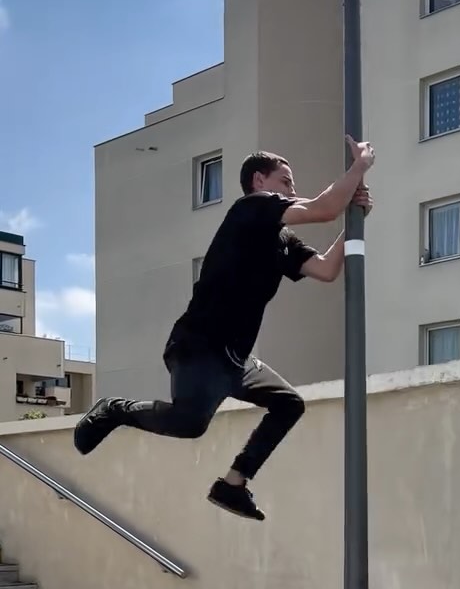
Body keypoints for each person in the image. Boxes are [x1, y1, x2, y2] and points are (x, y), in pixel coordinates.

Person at [74, 137, 376, 521]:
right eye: (285, 181)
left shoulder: (281, 239)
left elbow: (326, 269)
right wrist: (359, 167)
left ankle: (233, 484)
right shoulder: (250, 208)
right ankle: (114, 410)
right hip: (199, 344)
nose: (291, 190)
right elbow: (323, 208)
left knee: (289, 404)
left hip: (235, 359)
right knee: (190, 424)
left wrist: (354, 222)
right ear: (259, 181)